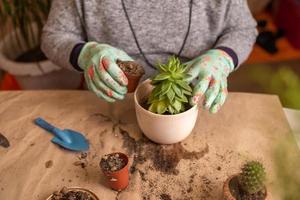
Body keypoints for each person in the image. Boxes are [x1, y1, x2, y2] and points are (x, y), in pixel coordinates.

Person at [42, 0, 257, 113]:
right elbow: (54, 36)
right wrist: (86, 54)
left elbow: (242, 29)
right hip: (109, 103)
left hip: (197, 103)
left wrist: (222, 58)